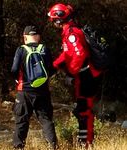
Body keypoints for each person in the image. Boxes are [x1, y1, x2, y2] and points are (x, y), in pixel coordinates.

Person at [47, 3, 102, 147]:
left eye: (53, 20)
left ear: (59, 20)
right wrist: (54, 65)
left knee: (84, 110)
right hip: (83, 76)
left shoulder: (71, 33)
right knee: (82, 109)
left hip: (86, 76)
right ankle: (85, 140)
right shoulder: (69, 31)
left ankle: (86, 143)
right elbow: (67, 53)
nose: (53, 23)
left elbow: (79, 54)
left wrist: (71, 72)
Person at [11, 25, 57, 150]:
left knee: (22, 120)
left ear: (25, 37)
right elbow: (52, 70)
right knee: (46, 119)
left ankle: (18, 146)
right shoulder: (44, 49)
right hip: (43, 91)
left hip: (24, 91)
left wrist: (16, 78)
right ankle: (53, 146)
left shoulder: (21, 50)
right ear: (38, 37)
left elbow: (14, 69)